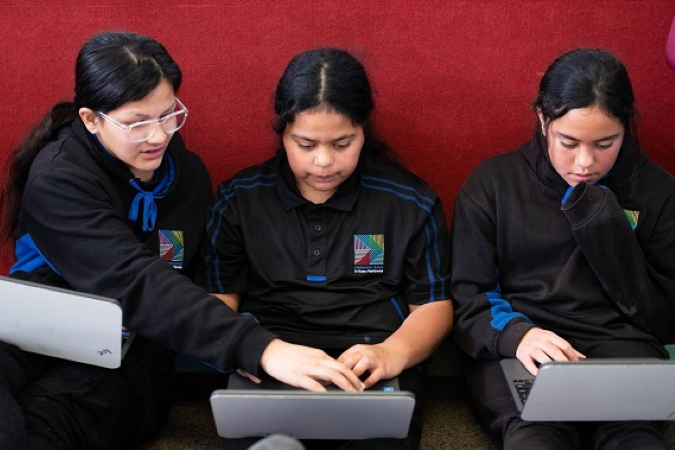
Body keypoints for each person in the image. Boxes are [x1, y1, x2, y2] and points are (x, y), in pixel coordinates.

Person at [0, 31, 363, 449]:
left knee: (54, 419)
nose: (158, 136)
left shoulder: (188, 177)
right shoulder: (59, 179)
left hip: (130, 346)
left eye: (167, 114)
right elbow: (134, 279)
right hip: (34, 324)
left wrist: (234, 349)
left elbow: (181, 288)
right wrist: (257, 347)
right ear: (91, 120)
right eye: (137, 123)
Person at [203, 48, 453, 449]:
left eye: (342, 143)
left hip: (373, 359)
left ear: (363, 131)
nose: (323, 162)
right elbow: (220, 299)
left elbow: (434, 306)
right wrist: (247, 350)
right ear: (282, 132)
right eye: (305, 144)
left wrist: (392, 354)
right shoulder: (239, 199)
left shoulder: (410, 201)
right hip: (274, 354)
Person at [450, 48, 675, 449]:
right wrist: (519, 335)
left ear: (626, 128)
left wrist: (603, 224)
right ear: (542, 120)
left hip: (623, 346)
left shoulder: (657, 191)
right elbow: (469, 297)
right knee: (536, 437)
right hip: (525, 347)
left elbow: (664, 314)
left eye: (606, 143)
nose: (585, 162)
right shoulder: (493, 184)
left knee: (636, 439)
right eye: (567, 142)